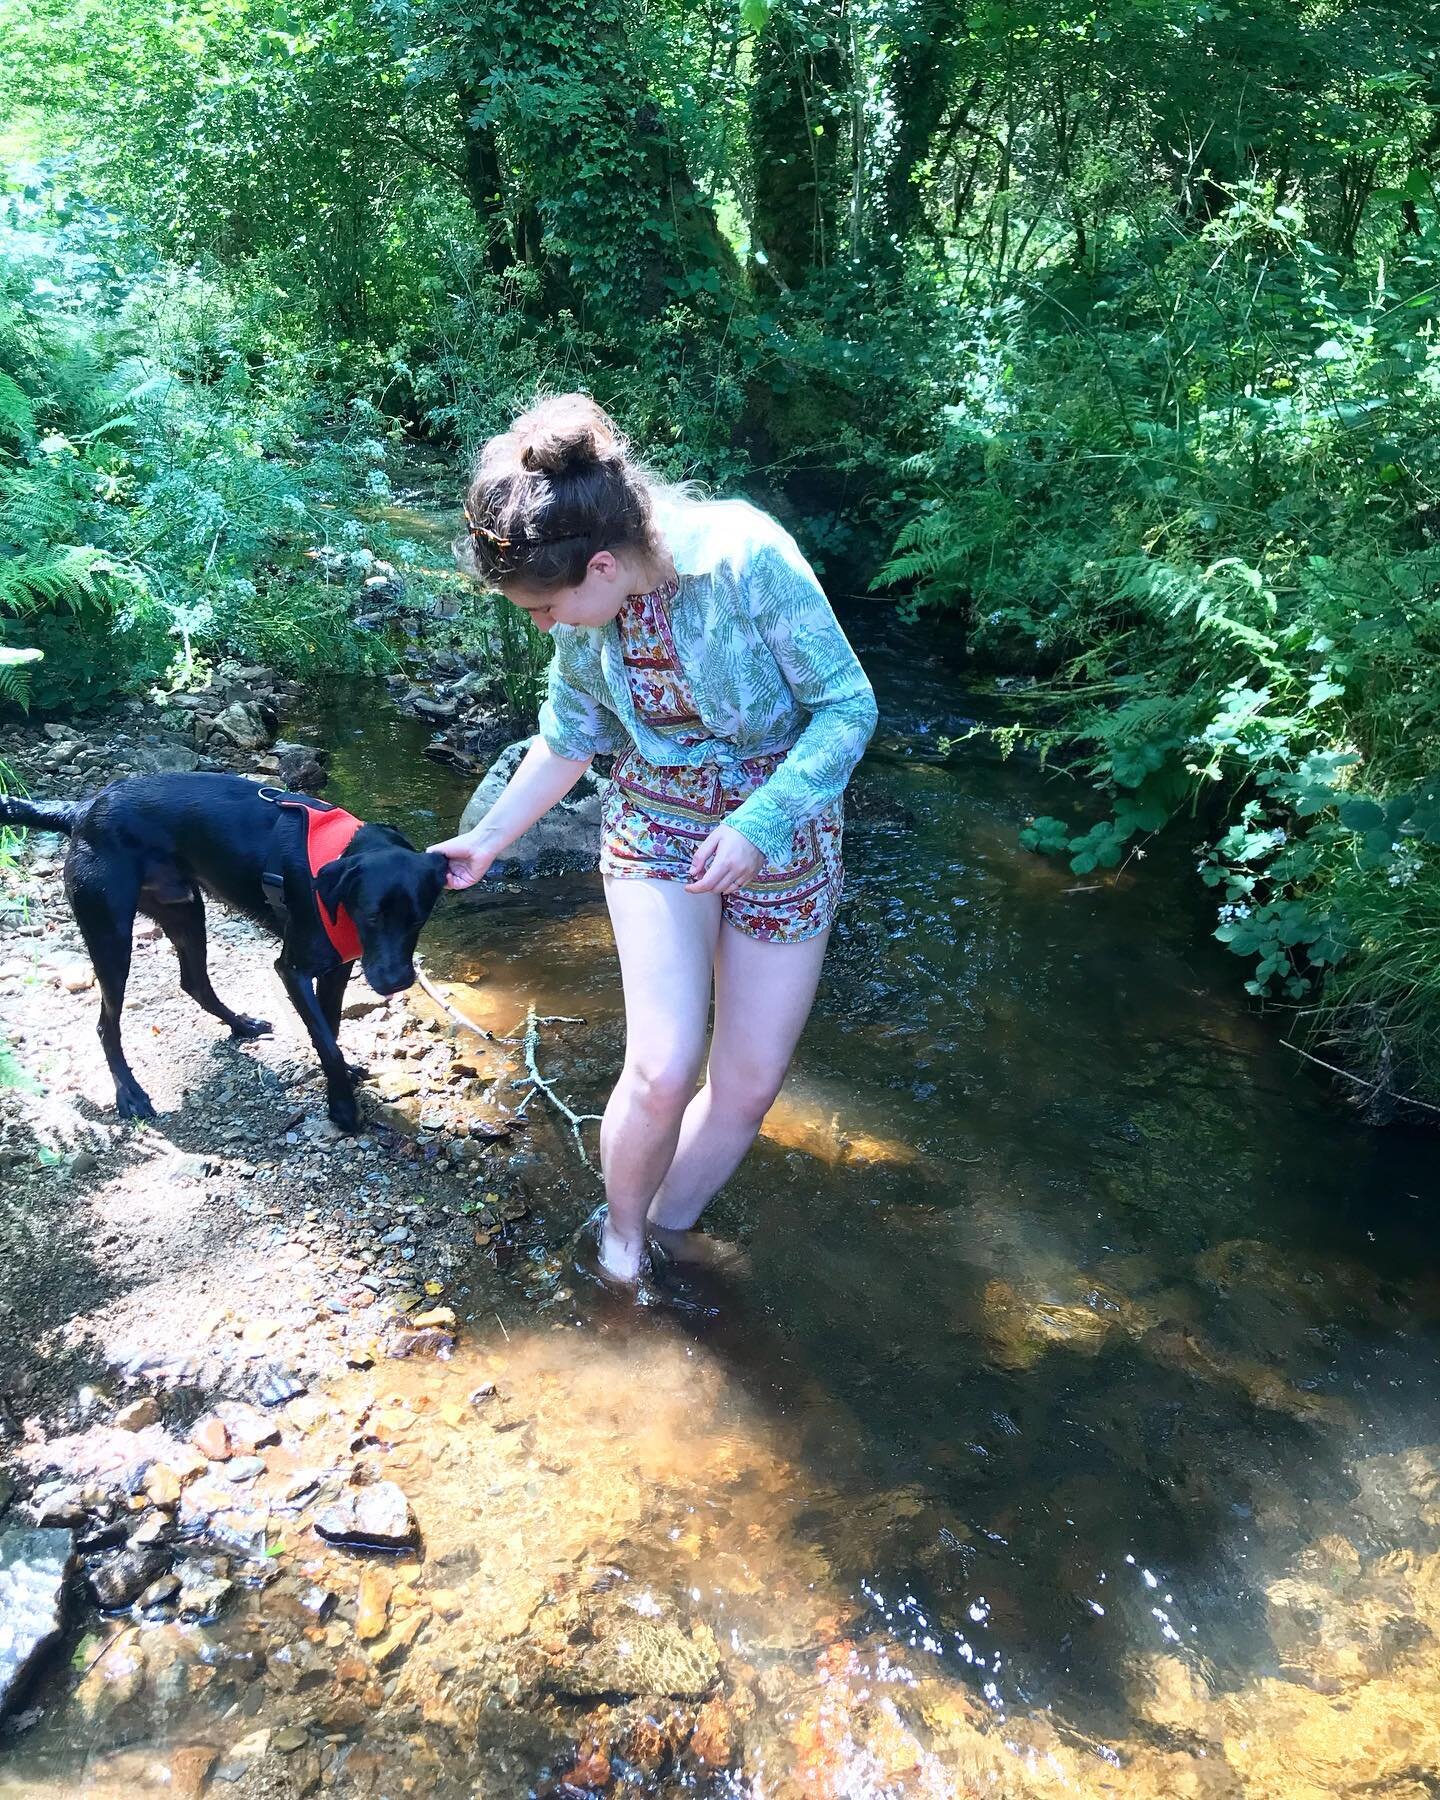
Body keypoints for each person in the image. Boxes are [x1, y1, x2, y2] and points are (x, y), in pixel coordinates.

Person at [429, 394, 877, 1285]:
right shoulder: (588, 608)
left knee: (747, 1086)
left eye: (550, 609)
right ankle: (622, 1246)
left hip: (785, 830)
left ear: (602, 564)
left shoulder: (748, 558)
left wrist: (762, 822)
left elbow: (847, 706)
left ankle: (673, 1223)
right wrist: (486, 840)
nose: (549, 626)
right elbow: (568, 738)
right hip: (657, 825)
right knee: (666, 1065)